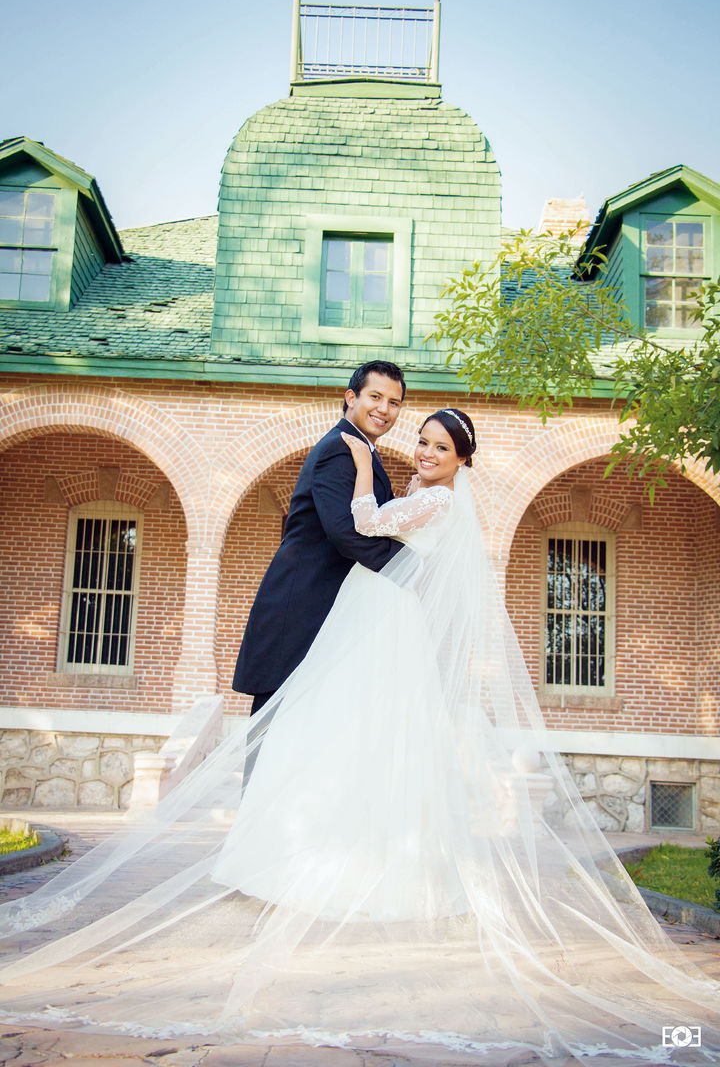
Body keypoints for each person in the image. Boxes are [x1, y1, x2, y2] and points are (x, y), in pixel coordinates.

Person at [1, 409, 720, 1066]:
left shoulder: (436, 499)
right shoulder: (442, 500)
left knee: (351, 737)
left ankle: (351, 872)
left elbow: (367, 522)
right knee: (349, 744)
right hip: (376, 621)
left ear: (462, 460)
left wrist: (359, 456)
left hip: (380, 628)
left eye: (440, 447)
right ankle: (331, 854)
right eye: (424, 442)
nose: (426, 452)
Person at [233, 359, 406, 715]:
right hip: (300, 608)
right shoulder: (339, 449)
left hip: (330, 612)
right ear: (350, 397)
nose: (384, 409)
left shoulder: (361, 451)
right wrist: (409, 565)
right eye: (375, 396)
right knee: (274, 732)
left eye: (394, 402)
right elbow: (345, 532)